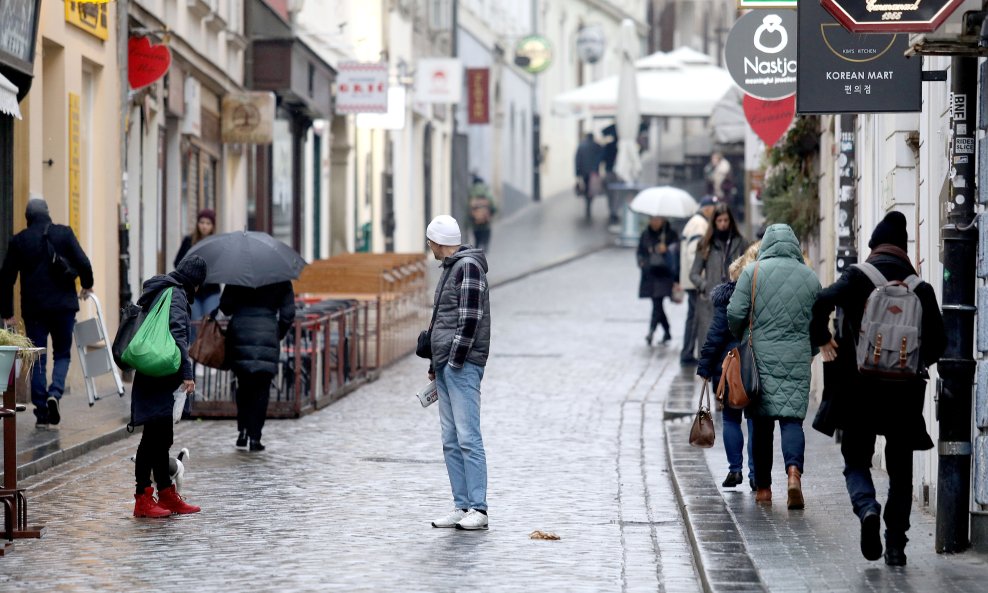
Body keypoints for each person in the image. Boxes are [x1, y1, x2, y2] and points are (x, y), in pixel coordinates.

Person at [810, 212, 945, 566]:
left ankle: (867, 507)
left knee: (855, 460)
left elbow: (820, 300)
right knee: (901, 472)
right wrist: (912, 363)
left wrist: (824, 339)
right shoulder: (921, 289)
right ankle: (896, 546)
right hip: (903, 394)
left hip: (858, 390)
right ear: (903, 249)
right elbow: (939, 343)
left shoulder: (857, 277)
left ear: (873, 246)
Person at [727, 224, 820, 509]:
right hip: (796, 357)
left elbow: (734, 312)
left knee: (762, 425)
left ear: (766, 244)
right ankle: (794, 475)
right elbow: (818, 323)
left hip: (759, 358)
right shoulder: (809, 277)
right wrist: (810, 350)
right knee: (792, 421)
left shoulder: (752, 273)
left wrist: (742, 335)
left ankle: (764, 490)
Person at [0, 196, 94, 429]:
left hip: (35, 310)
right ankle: (56, 392)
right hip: (64, 307)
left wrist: (7, 312)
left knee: (37, 357)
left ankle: (42, 412)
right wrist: (87, 284)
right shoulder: (64, 233)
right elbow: (84, 262)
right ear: (48, 213)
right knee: (62, 354)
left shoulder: (20, 240)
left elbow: (6, 279)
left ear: (28, 217)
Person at [424, 215, 492, 531]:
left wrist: (453, 362)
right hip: (446, 364)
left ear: (438, 242)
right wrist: (434, 364)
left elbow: (469, 320)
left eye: (430, 242)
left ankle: (478, 507)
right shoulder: (452, 268)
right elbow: (442, 320)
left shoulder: (468, 268)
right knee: (451, 439)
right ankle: (461, 505)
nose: (429, 248)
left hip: (461, 366)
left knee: (468, 437)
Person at [130, 256, 207, 518]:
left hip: (154, 371)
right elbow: (177, 335)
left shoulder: (164, 289)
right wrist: (187, 373)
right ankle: (143, 499)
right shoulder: (175, 294)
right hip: (160, 373)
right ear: (195, 282)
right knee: (153, 438)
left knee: (161, 437)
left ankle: (165, 493)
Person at [697, 242, 759, 490]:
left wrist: (704, 367)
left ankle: (735, 470)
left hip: (729, 366)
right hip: (756, 364)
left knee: (732, 418)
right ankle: (756, 474)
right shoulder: (761, 294)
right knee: (755, 421)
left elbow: (715, 335)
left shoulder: (727, 298)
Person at [220, 280, 296, 452]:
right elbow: (288, 314)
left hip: (240, 333)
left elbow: (225, 307)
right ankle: (255, 437)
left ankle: (243, 431)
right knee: (262, 389)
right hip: (267, 333)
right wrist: (278, 333)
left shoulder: (238, 276)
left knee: (243, 385)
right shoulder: (280, 278)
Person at [691, 203, 748, 352]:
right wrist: (705, 286)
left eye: (725, 220)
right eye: (719, 221)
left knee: (732, 351)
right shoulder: (705, 244)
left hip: (734, 300)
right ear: (714, 222)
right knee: (710, 349)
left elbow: (748, 268)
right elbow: (693, 273)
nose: (723, 224)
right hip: (710, 302)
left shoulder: (741, 243)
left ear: (730, 221)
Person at [679, 196, 717, 365]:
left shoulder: (696, 223)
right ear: (707, 208)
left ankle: (687, 352)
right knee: (695, 317)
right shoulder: (699, 225)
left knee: (693, 316)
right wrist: (700, 279)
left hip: (690, 280)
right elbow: (693, 253)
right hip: (694, 282)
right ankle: (687, 353)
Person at [175, 209, 221, 339]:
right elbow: (178, 263)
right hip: (192, 291)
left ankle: (206, 353)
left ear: (213, 225)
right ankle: (193, 354)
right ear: (197, 223)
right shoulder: (189, 241)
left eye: (208, 223)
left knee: (209, 323)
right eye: (202, 222)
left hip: (211, 290)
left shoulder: (216, 243)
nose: (204, 226)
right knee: (194, 324)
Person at [637, 216, 680, 346]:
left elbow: (677, 254)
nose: (655, 222)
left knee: (657, 303)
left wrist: (666, 249)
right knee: (657, 304)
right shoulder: (646, 234)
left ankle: (651, 331)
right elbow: (640, 251)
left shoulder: (670, 234)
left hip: (664, 275)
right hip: (650, 274)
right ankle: (667, 331)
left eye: (658, 219)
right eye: (653, 219)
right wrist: (642, 262)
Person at [575, 133, 602, 218]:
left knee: (587, 187)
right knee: (592, 189)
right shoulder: (596, 146)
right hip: (593, 171)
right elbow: (601, 156)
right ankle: (589, 201)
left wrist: (577, 173)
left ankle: (588, 202)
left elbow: (577, 159)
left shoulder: (581, 146)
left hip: (584, 171)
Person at [467, 175, 497, 252]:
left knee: (477, 233)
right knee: (486, 231)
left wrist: (469, 219)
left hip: (475, 220)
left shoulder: (471, 192)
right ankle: (485, 245)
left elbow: (468, 207)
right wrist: (491, 214)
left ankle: (477, 245)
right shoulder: (486, 191)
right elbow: (493, 206)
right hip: (485, 219)